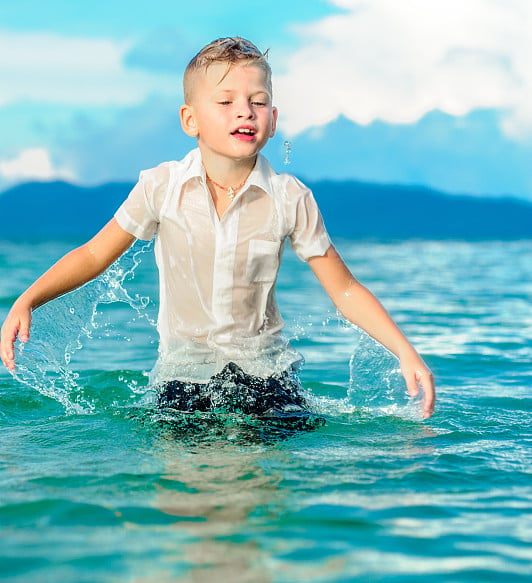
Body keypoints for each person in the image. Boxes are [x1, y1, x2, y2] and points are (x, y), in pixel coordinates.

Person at [0, 37, 435, 421]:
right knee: (186, 491)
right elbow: (94, 255)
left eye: (258, 101)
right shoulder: (161, 186)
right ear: (190, 120)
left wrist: (404, 351)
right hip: (183, 377)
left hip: (268, 377)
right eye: (225, 102)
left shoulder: (290, 198)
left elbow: (344, 290)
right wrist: (28, 299)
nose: (245, 110)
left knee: (261, 490)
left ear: (273, 119)